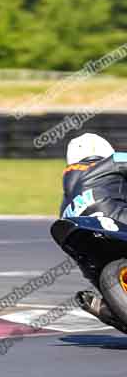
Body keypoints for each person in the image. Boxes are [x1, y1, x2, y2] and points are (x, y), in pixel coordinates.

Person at [61, 133, 127, 332]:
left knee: (96, 277)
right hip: (116, 220)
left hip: (85, 245)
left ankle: (105, 307)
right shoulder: (112, 161)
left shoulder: (65, 200)